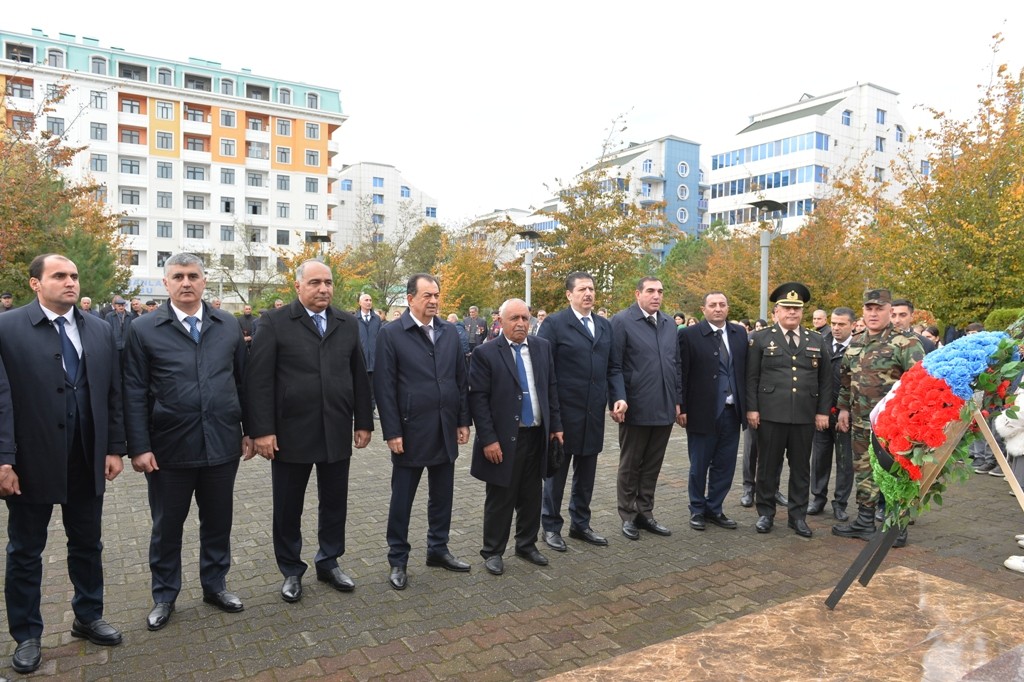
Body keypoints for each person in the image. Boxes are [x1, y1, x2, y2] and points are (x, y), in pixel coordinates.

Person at [0, 254, 126, 674]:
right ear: (36, 284)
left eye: (74, 275)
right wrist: (4, 459)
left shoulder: (100, 329)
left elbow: (112, 393)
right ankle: (27, 635)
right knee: (25, 551)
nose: (70, 282)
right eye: (59, 276)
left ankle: (88, 616)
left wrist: (113, 448)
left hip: (85, 456)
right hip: (30, 460)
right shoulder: (7, 328)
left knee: (88, 544)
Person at [123, 253, 250, 631]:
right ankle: (164, 595)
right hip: (168, 449)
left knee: (218, 522)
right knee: (167, 525)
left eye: (193, 275)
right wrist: (139, 446)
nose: (186, 282)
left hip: (221, 444)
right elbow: (133, 391)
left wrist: (249, 429)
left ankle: (215, 585)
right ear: (166, 284)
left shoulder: (226, 325)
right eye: (177, 276)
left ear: (204, 281)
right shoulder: (144, 329)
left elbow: (243, 382)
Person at [244, 260, 373, 603]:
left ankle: (329, 561)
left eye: (328, 282)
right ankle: (290, 569)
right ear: (298, 286)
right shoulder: (274, 322)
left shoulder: (346, 322)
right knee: (288, 506)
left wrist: (363, 421)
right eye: (315, 282)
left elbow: (359, 374)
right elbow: (257, 380)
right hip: (289, 433)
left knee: (334, 502)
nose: (323, 289)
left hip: (335, 427)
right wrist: (262, 431)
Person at [374, 274, 471, 590]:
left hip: (444, 427)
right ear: (410, 298)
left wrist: (462, 421)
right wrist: (392, 431)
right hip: (410, 430)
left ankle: (438, 549)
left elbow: (460, 379)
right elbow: (384, 388)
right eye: (427, 295)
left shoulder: (449, 333)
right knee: (402, 499)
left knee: (442, 496)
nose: (433, 300)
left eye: (437, 295)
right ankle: (398, 559)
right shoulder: (391, 334)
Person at [470, 298, 563, 575]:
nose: (521, 323)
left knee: (531, 494)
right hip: (503, 439)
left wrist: (556, 427)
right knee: (501, 496)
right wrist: (488, 439)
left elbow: (551, 389)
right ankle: (493, 551)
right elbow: (479, 400)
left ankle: (526, 544)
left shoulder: (542, 348)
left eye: (525, 318)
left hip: (537, 435)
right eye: (515, 319)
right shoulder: (486, 353)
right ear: (501, 320)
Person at [538, 272, 626, 551]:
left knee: (586, 473)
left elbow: (613, 367)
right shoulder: (554, 324)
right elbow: (545, 372)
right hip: (564, 413)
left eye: (591, 289)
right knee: (557, 474)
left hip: (593, 413)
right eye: (582, 289)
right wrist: (551, 417)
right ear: (569, 294)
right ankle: (550, 527)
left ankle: (581, 524)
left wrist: (618, 397)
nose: (588, 293)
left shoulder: (603, 325)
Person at [833, 288, 924, 547]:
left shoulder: (906, 343)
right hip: (861, 422)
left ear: (889, 311)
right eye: (869, 309)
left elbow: (919, 384)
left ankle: (897, 526)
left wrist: (910, 422)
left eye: (879, 309)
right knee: (863, 470)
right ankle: (864, 520)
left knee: (894, 473)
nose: (873, 313)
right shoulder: (857, 341)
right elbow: (846, 380)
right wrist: (843, 409)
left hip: (892, 426)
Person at [746, 283, 831, 537]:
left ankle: (797, 516)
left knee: (801, 469)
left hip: (804, 416)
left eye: (796, 309)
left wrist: (823, 412)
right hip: (770, 415)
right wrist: (752, 409)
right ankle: (765, 514)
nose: (792, 313)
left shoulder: (815, 339)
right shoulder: (760, 339)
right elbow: (751, 377)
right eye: (787, 308)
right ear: (776, 312)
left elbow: (825, 379)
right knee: (767, 468)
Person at [610, 277, 682, 540]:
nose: (656, 296)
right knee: (631, 464)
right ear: (637, 293)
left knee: (652, 464)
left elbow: (676, 365)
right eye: (650, 291)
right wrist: (618, 398)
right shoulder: (621, 321)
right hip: (635, 406)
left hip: (663, 407)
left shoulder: (668, 324)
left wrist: (678, 400)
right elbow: (614, 365)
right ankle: (627, 515)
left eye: (660, 291)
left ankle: (645, 512)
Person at [678, 291, 747, 532]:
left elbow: (744, 372)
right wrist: (682, 407)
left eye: (722, 304)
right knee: (699, 464)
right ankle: (697, 509)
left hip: (732, 411)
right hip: (701, 411)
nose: (718, 308)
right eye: (712, 305)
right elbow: (682, 374)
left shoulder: (739, 334)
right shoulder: (689, 335)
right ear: (703, 309)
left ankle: (715, 508)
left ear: (728, 308)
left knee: (725, 464)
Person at [808, 307, 856, 521]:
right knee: (819, 458)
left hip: (847, 415)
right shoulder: (821, 343)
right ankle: (818, 498)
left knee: (845, 461)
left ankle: (840, 503)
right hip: (822, 412)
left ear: (853, 325)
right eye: (834, 323)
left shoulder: (860, 347)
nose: (836, 328)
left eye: (841, 324)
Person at [356, 293, 383, 414]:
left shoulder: (376, 319)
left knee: (373, 387)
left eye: (370, 300)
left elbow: (380, 337)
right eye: (366, 300)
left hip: (374, 358)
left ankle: (372, 409)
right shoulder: (355, 319)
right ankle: (360, 409)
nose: (369, 302)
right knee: (361, 386)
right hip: (360, 359)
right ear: (360, 303)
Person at [104, 296, 133, 364]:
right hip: (115, 345)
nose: (121, 307)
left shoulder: (130, 315)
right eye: (119, 306)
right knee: (116, 365)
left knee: (127, 364)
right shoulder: (109, 316)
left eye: (122, 305)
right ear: (115, 306)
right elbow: (107, 331)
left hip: (126, 345)